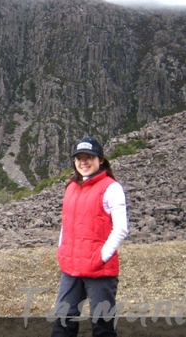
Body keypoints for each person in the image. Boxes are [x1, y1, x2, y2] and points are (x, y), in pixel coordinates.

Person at [50, 136, 129, 337]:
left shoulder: (111, 188)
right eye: (79, 158)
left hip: (99, 269)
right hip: (71, 266)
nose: (83, 162)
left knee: (102, 325)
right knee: (63, 322)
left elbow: (121, 228)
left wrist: (101, 257)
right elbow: (66, 224)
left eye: (89, 157)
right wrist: (62, 250)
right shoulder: (71, 187)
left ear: (100, 159)